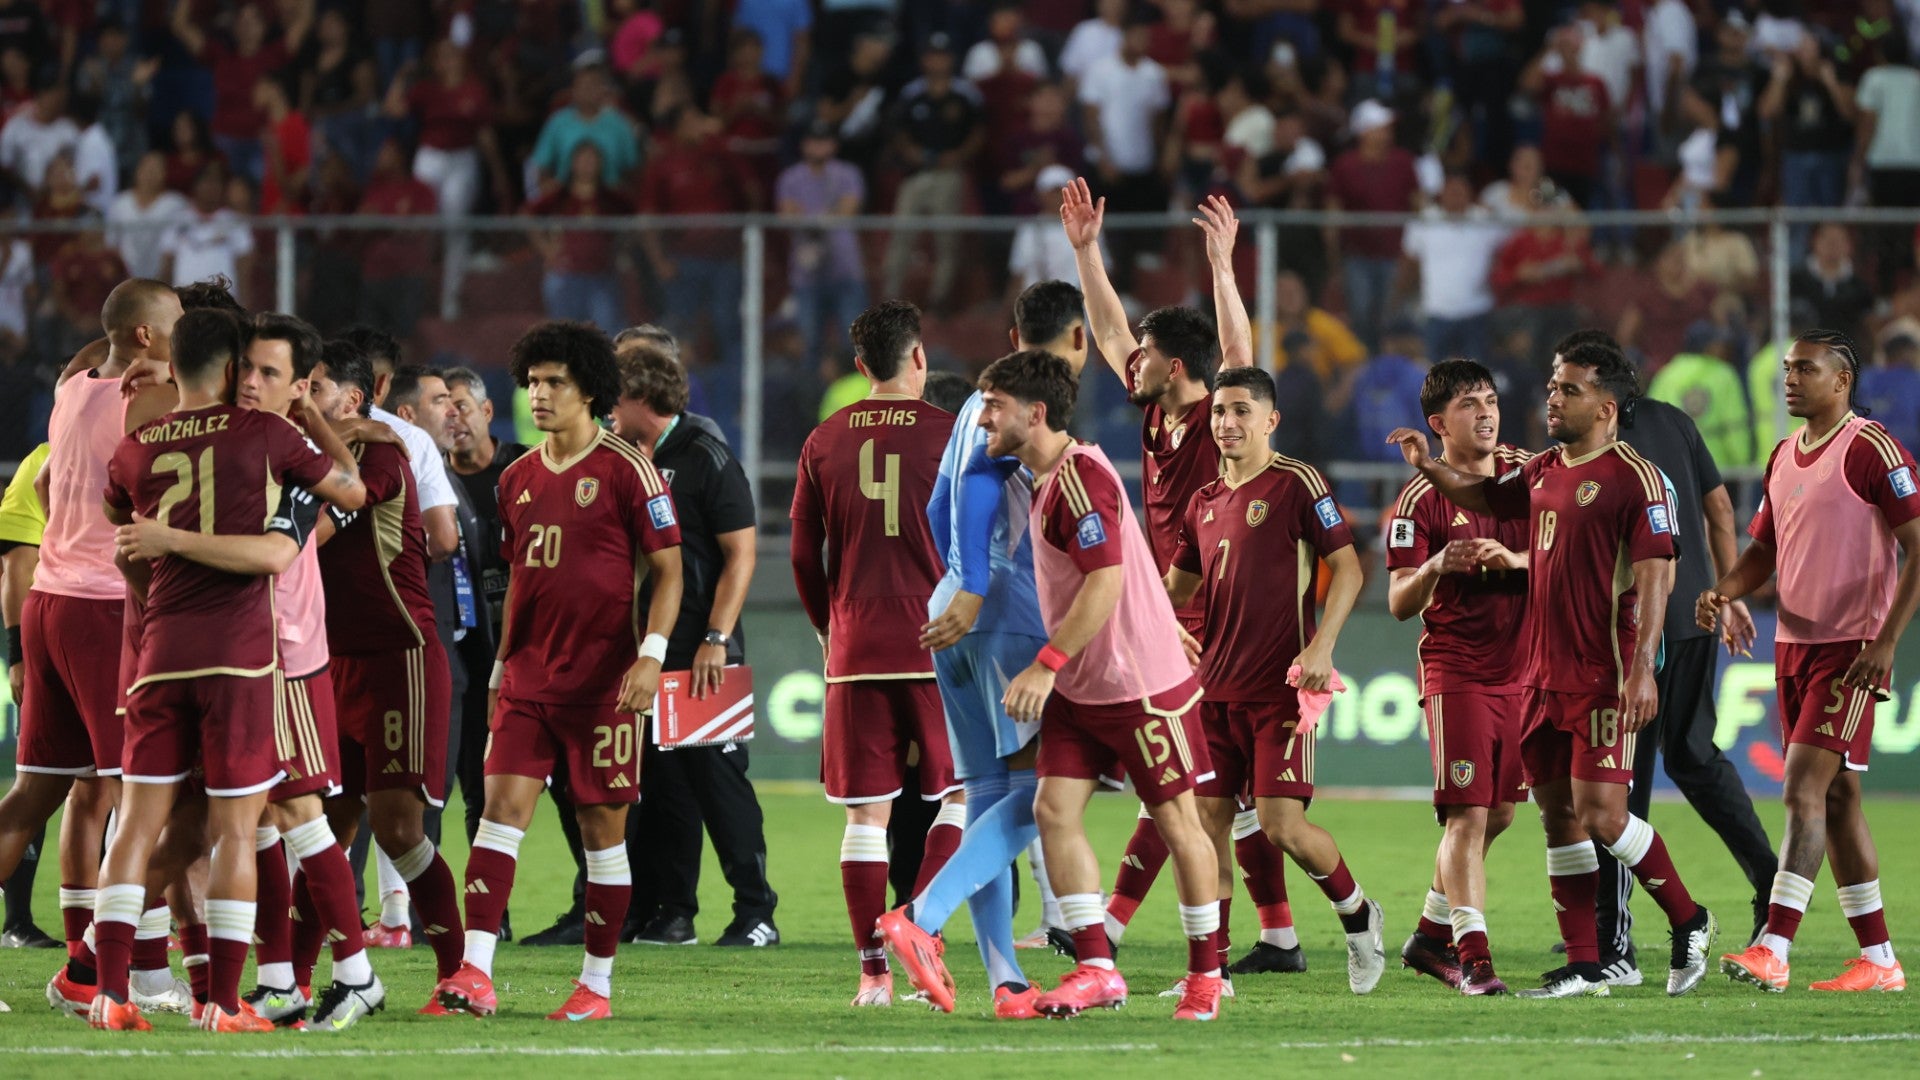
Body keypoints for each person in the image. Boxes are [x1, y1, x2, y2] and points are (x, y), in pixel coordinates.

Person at [1387, 338, 1718, 999]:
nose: (1552, 400)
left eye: (1568, 390)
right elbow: (1483, 495)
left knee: (1603, 816)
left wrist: (1642, 667)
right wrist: (1428, 468)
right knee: (1556, 815)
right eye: (1552, 388)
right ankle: (1586, 963)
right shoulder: (1541, 469)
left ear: (1606, 406)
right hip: (1538, 675)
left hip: (1602, 671)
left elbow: (1658, 574)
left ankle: (1689, 918)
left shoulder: (1637, 478)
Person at [114, 314, 395, 1028]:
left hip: (284, 654)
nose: (250, 382)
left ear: (300, 387)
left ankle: (350, 973)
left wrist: (168, 546)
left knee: (292, 814)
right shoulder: (252, 441)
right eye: (247, 368)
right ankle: (276, 981)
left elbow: (314, 523)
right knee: (247, 821)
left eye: (270, 373)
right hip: (236, 652)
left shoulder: (287, 454)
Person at [1062, 182, 1301, 972]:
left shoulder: (1213, 419)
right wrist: (1086, 252)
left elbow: (1237, 353)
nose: (1127, 360)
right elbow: (1107, 329)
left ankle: (1109, 926)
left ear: (1173, 366)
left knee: (1176, 774)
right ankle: (1279, 936)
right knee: (1214, 790)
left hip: (1211, 615)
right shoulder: (1153, 409)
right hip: (1170, 609)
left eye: (1144, 355)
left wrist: (1223, 266)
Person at [437, 320, 685, 1022]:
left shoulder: (629, 469)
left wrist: (651, 655)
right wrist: (498, 670)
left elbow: (670, 571)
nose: (539, 394)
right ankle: (475, 974)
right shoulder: (514, 478)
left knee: (601, 834)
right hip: (527, 680)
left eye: (556, 383)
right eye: (533, 382)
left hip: (605, 685)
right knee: (498, 816)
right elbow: (521, 577)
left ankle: (595, 986)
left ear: (590, 391)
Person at [971, 349, 1221, 1021]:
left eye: (994, 405)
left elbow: (1106, 579)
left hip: (1136, 686)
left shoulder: (1078, 478)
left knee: (1179, 824)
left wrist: (1046, 663)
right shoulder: (1047, 478)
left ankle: (1205, 979)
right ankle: (1097, 970)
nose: (983, 418)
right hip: (1085, 686)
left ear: (1035, 413)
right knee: (1054, 811)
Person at [1522, 329, 1776, 981]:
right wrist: (1726, 590)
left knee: (1615, 789)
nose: (1557, 395)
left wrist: (1721, 596)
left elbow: (1688, 525)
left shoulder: (1604, 447)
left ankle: (1615, 941)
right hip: (1692, 617)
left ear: (1602, 393)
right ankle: (1768, 887)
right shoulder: (1673, 420)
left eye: (1567, 383)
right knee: (1688, 760)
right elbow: (1719, 508)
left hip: (1639, 629)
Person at [872, 281, 1087, 1018]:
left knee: (988, 796)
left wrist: (958, 582)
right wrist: (979, 583)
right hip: (1009, 614)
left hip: (957, 616)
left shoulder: (973, 405)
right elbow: (978, 483)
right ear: (1079, 340)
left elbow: (940, 503)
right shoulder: (1034, 410)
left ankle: (1007, 979)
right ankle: (921, 916)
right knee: (1042, 792)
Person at [1166, 365, 1385, 1000]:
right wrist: (1157, 623)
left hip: (1279, 690)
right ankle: (1209, 972)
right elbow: (1174, 590)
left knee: (1281, 825)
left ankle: (1358, 913)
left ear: (1271, 420)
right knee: (1206, 828)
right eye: (1219, 412)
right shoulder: (1203, 502)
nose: (1227, 422)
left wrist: (1323, 645)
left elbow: (1348, 570)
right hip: (1213, 693)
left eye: (1241, 410)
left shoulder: (1296, 484)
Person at [1713, 329, 1919, 994]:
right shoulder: (1783, 455)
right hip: (1791, 646)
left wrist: (1886, 641)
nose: (1790, 379)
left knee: (1802, 788)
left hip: (1851, 649)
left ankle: (1773, 947)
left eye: (1805, 369)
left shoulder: (1871, 449)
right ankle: (1880, 960)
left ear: (1842, 380)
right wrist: (1724, 591)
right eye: (1787, 368)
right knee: (1837, 797)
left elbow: (1919, 545)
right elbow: (1763, 552)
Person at [4, 280, 179, 1017]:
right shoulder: (152, 400)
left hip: (49, 602)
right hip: (105, 611)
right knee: (143, 801)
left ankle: (114, 964)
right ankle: (139, 973)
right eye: (174, 326)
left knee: (33, 795)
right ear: (144, 336)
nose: (183, 339)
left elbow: (52, 474)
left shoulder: (73, 390)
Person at [791, 301, 960, 1004]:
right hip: (939, 642)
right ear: (918, 357)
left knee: (865, 818)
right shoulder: (951, 433)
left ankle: (873, 974)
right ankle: (917, 924)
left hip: (856, 643)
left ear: (861, 366)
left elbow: (803, 553)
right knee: (964, 795)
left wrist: (826, 626)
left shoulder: (824, 439)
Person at [307, 339, 468, 1005]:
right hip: (333, 659)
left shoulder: (378, 453)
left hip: (399, 657)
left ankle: (460, 975)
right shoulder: (308, 450)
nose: (299, 396)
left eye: (312, 387)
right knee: (322, 832)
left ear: (350, 399)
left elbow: (310, 531)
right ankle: (288, 983)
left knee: (399, 828)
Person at [608, 341, 779, 949]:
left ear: (641, 397)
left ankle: (757, 913)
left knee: (719, 783)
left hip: (705, 650)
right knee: (663, 789)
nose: (606, 409)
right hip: (651, 648)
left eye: (615, 397)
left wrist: (716, 637)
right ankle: (672, 913)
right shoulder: (628, 456)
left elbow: (741, 554)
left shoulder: (706, 454)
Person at [1385, 360, 1534, 996]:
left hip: (1524, 668)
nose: (1486, 413)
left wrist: (1517, 560)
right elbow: (1398, 601)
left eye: (1491, 399)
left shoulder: (1528, 472)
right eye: (1470, 404)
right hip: (1458, 670)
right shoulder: (1419, 500)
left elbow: (1567, 551)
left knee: (1499, 813)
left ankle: (1428, 934)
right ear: (1439, 424)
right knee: (1468, 816)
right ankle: (1474, 960)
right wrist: (1435, 567)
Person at [880, 35, 982, 312]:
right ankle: (890, 296)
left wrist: (958, 155)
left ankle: (940, 300)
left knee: (946, 240)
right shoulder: (912, 93)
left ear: (951, 59)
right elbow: (897, 129)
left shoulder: (965, 93)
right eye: (933, 56)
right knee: (902, 234)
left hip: (949, 174)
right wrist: (910, 151)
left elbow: (978, 131)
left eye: (943, 56)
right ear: (925, 60)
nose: (938, 61)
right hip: (915, 173)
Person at [0, 441, 54, 951]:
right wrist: (18, 655)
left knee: (105, 794)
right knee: (36, 784)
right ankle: (16, 920)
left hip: (127, 637)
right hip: (59, 640)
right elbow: (17, 563)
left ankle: (106, 938)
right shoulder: (44, 459)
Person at [1402, 173, 1505, 366]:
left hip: (1476, 310)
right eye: (1451, 192)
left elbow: (1507, 250)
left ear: (1470, 194)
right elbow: (1409, 262)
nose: (1456, 197)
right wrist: (1402, 295)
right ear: (1441, 194)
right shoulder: (1424, 220)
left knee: (1476, 372)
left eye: (1460, 192)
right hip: (1436, 310)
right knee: (1432, 371)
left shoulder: (1485, 219)